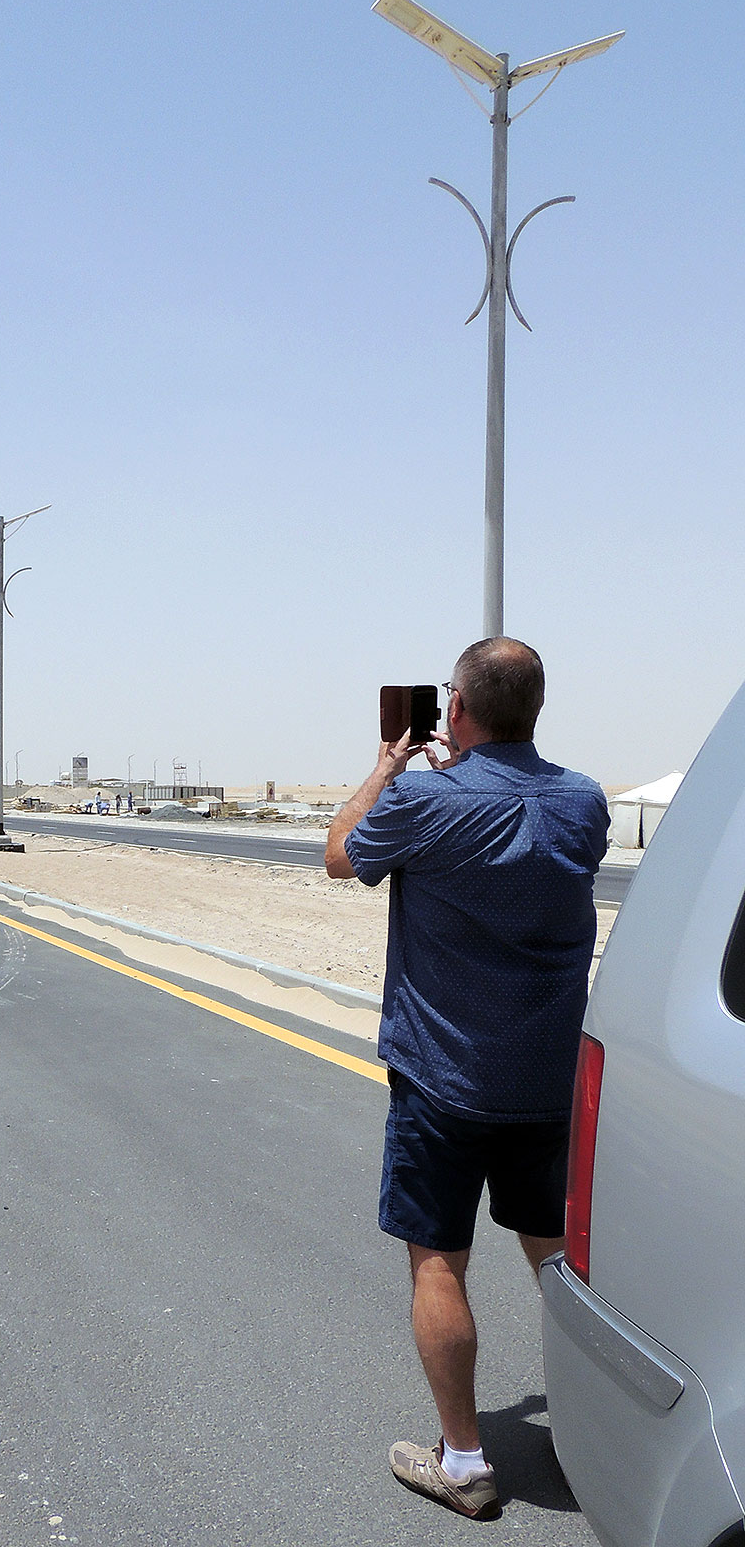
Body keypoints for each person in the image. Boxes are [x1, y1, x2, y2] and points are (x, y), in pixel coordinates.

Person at [325, 638, 608, 1521]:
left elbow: (341, 856)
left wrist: (386, 768)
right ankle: (605, 1438)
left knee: (438, 1264)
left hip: (443, 1079)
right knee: (557, 1258)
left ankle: (464, 1462)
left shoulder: (421, 795)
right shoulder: (584, 801)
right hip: (548, 1081)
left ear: (454, 708)